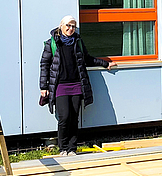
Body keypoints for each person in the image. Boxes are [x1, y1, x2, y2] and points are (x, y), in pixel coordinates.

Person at [39, 15, 117, 156]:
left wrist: (105, 63)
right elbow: (44, 64)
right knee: (64, 117)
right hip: (60, 86)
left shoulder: (78, 41)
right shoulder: (51, 43)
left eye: (73, 26)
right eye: (68, 25)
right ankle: (63, 148)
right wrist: (43, 86)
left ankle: (72, 148)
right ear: (61, 26)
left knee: (74, 117)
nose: (70, 28)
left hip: (76, 85)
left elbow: (87, 59)